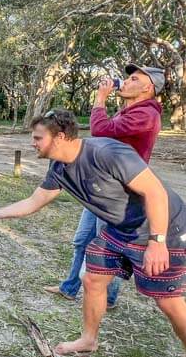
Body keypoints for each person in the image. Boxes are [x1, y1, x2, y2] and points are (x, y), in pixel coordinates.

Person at [0, 109, 186, 357]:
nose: (32, 143)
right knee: (93, 279)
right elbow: (34, 202)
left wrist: (157, 242)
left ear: (59, 136)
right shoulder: (59, 167)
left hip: (163, 228)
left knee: (168, 301)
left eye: (37, 137)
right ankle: (88, 339)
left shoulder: (107, 152)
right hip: (119, 229)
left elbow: (155, 192)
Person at [45, 63, 165, 309]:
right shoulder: (129, 111)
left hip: (118, 194)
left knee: (108, 247)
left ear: (148, 87)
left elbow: (100, 130)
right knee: (82, 240)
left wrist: (100, 99)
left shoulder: (146, 114)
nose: (126, 82)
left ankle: (107, 299)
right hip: (101, 186)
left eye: (133, 78)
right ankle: (69, 287)